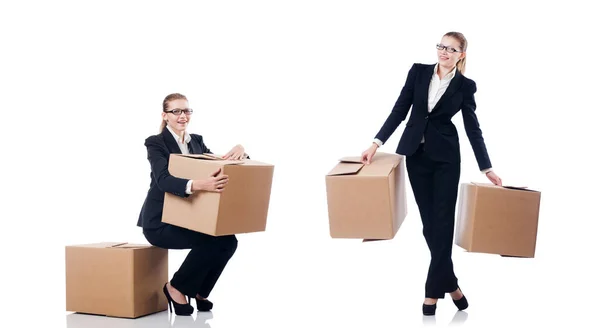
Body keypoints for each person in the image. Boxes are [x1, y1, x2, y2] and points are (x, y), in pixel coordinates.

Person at [361, 32, 503, 316]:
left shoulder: (465, 86)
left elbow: (473, 128)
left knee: (443, 222)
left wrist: (486, 167)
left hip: (447, 160)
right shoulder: (418, 72)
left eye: (451, 49)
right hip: (416, 156)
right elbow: (400, 109)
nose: (444, 52)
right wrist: (376, 143)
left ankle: (431, 293)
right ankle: (452, 285)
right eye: (441, 46)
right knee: (429, 225)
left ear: (461, 54)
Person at [137, 93, 248, 315]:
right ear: (165, 115)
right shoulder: (156, 143)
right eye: (176, 111)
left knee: (228, 242)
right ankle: (176, 287)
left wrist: (241, 153)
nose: (182, 116)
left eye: (186, 111)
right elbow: (163, 180)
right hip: (160, 222)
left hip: (187, 217)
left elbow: (218, 164)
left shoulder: (196, 141)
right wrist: (199, 185)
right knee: (211, 242)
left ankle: (199, 291)